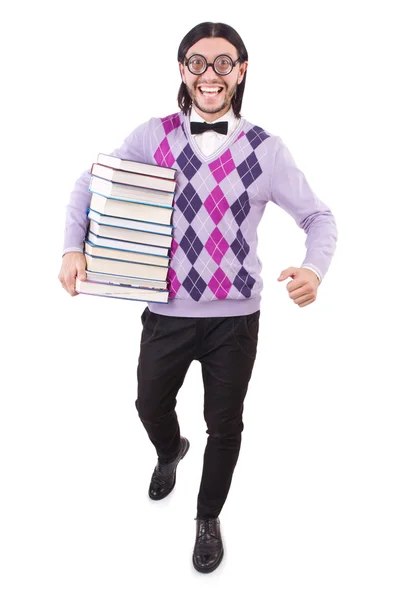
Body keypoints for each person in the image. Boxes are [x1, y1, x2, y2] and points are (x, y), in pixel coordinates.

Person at [59, 21, 337, 574]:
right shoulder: (151, 136)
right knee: (148, 403)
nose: (210, 74)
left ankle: (207, 517)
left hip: (237, 320)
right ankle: (169, 450)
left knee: (225, 423)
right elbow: (90, 183)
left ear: (241, 71)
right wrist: (73, 247)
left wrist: (314, 268)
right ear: (182, 69)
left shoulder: (266, 149)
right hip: (165, 312)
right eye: (198, 62)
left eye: (223, 62)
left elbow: (318, 217)